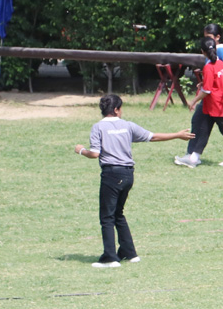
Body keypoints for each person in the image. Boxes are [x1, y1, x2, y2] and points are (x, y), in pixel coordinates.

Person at [74, 94, 193, 267]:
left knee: (107, 217)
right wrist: (177, 135)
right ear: (116, 110)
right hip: (128, 174)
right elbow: (152, 136)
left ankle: (110, 258)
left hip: (111, 174)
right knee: (118, 213)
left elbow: (94, 153)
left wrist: (80, 150)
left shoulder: (98, 127)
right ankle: (129, 253)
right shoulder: (127, 126)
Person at [177, 23, 223, 167]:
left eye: (209, 37)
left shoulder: (219, 51)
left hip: (216, 99)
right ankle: (193, 157)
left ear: (217, 37)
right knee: (203, 125)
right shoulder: (213, 57)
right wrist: (205, 83)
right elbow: (215, 75)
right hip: (213, 99)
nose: (207, 40)